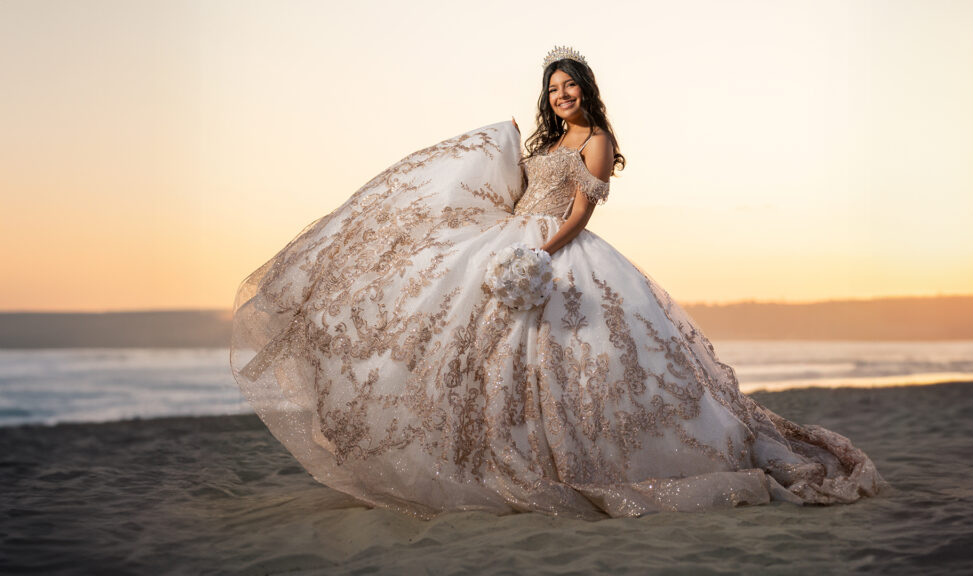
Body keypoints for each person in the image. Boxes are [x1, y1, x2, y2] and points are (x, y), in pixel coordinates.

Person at [230, 46, 885, 520]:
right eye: (553, 89)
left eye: (569, 86)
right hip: (510, 240)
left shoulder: (594, 140)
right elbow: (509, 187)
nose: (561, 95)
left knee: (573, 358)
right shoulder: (543, 144)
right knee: (471, 345)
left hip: (558, 250)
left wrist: (539, 254)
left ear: (586, 89)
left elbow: (580, 214)